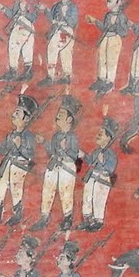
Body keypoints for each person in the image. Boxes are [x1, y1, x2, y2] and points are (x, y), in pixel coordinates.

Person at [0, 95, 39, 227]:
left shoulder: (28, 136)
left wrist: (20, 146)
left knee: (15, 189)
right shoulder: (11, 134)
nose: (13, 115)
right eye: (15, 112)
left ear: (26, 118)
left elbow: (30, 154)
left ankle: (17, 215)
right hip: (7, 163)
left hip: (19, 165)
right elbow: (5, 150)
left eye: (18, 113)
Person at [36, 97, 82, 232]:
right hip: (54, 164)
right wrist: (44, 142)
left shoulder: (72, 137)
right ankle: (44, 217)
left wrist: (65, 149)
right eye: (58, 113)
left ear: (69, 119)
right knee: (48, 189)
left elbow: (74, 155)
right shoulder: (56, 135)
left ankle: (67, 218)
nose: (58, 116)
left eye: (61, 114)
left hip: (67, 166)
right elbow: (52, 150)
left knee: (65, 191)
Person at [0, 0, 42, 83]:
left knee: (16, 46)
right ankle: (22, 72)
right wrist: (2, 8)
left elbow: (33, 17)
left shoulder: (32, 0)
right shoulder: (17, 0)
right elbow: (11, 13)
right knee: (20, 47)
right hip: (18, 25)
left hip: (25, 26)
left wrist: (24, 12)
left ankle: (17, 71)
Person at [88, 0, 132, 94]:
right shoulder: (108, 15)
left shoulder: (121, 17)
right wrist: (95, 21)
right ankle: (101, 79)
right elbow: (104, 28)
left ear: (119, 2)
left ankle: (109, 82)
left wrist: (116, 25)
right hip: (105, 38)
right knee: (102, 59)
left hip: (114, 40)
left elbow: (124, 32)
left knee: (111, 60)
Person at [79, 116, 119, 232]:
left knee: (98, 200)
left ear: (108, 138)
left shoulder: (110, 154)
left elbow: (111, 168)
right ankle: (87, 220)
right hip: (92, 176)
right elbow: (90, 161)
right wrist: (83, 155)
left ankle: (98, 222)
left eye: (101, 134)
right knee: (87, 198)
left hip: (102, 179)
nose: (98, 135)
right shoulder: (96, 151)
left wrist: (103, 162)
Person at [42, 0, 80, 86]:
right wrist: (45, 11)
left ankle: (66, 76)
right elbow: (52, 18)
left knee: (64, 53)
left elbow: (72, 22)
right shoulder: (56, 6)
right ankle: (51, 76)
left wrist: (63, 19)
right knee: (52, 50)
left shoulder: (72, 7)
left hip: (66, 32)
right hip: (57, 30)